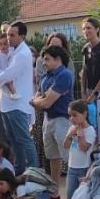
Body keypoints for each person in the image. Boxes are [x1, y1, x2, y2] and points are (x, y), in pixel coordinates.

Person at [0, 20, 37, 174]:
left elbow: (9, 74)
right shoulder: (12, 51)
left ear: (22, 37)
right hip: (7, 104)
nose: (8, 38)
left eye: (12, 35)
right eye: (8, 34)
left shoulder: (23, 54)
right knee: (14, 141)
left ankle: (34, 173)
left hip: (18, 104)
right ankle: (19, 172)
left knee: (24, 140)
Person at [33, 44, 75, 183]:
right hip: (48, 119)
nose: (43, 63)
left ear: (57, 59)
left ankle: (79, 191)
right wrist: (40, 100)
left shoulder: (64, 75)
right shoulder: (46, 77)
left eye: (47, 59)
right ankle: (54, 191)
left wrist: (38, 101)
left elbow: (45, 102)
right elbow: (38, 97)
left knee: (70, 157)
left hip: (62, 120)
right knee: (53, 157)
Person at [62, 100, 97, 199]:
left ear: (84, 114)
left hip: (84, 168)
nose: (72, 118)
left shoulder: (90, 130)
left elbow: (84, 148)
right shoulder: (72, 128)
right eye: (70, 116)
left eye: (75, 115)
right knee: (70, 197)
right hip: (71, 168)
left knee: (83, 197)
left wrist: (80, 134)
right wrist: (70, 135)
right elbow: (65, 146)